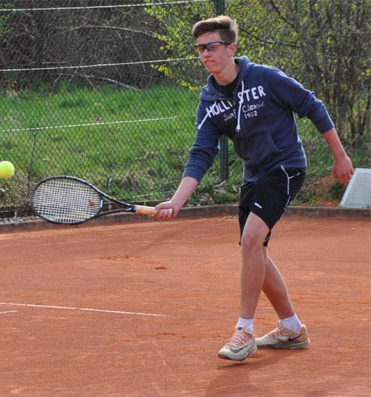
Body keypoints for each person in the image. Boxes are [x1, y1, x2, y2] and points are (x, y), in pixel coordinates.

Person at [151, 15, 354, 362]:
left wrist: (340, 156)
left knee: (250, 240)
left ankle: (244, 330)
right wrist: (176, 200)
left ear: (231, 48)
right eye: (200, 49)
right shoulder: (209, 99)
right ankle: (291, 327)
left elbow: (311, 106)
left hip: (286, 167)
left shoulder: (265, 77)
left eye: (211, 46)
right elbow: (202, 153)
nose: (205, 54)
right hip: (254, 175)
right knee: (255, 251)